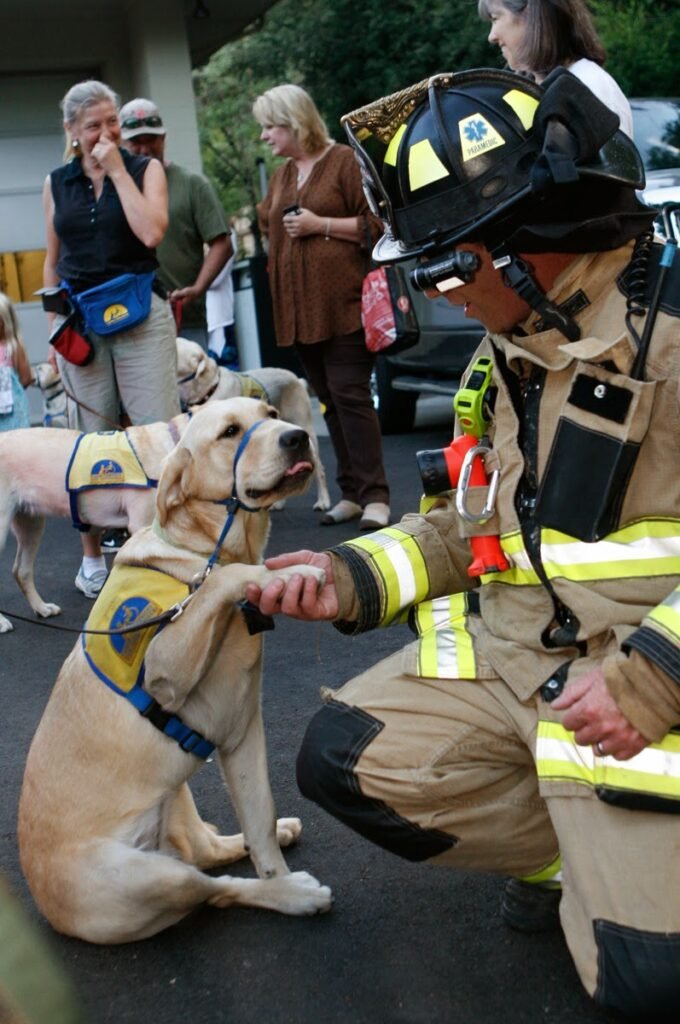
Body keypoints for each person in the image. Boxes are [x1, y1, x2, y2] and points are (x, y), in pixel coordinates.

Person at [244, 69, 680, 1019]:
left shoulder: (674, 339)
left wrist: (656, 677)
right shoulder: (512, 346)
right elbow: (471, 519)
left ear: (528, 244)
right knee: (342, 759)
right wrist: (347, 574)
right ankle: (574, 851)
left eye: (443, 266)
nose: (432, 292)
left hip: (648, 690)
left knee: (647, 982)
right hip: (531, 669)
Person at [44, 79, 180, 598]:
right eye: (93, 126)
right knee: (91, 441)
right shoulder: (56, 182)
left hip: (143, 314)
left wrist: (119, 169)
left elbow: (151, 233)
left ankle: (163, 546)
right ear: (72, 131)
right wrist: (53, 322)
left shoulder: (145, 169)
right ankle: (92, 558)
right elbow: (52, 261)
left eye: (112, 123)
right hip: (81, 319)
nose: (106, 133)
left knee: (156, 435)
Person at [253, 83, 390, 531]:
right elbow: (267, 221)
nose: (265, 137)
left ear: (294, 123)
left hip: (345, 304)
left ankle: (376, 497)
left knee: (351, 396)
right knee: (330, 402)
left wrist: (320, 225)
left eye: (270, 127)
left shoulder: (344, 163)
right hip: (300, 312)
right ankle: (351, 493)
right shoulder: (283, 175)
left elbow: (378, 224)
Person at [119, 97, 232, 350]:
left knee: (195, 387)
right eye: (136, 142)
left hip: (185, 318)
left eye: (151, 140)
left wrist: (197, 289)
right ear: (122, 143)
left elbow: (222, 243)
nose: (145, 149)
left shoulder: (192, 183)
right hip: (129, 319)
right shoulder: (114, 188)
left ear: (164, 138)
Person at [479, 0, 633, 135]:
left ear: (530, 15)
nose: (491, 36)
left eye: (495, 18)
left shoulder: (590, 85)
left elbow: (611, 165)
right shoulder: (524, 90)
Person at [206, 226, 239, 370]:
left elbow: (215, 279)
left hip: (219, 320)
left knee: (228, 377)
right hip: (197, 319)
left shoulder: (227, 235)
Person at [0, 291, 32, 431]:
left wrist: (11, 391)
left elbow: (26, 377)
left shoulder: (12, 347)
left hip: (13, 409)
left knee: (15, 437)